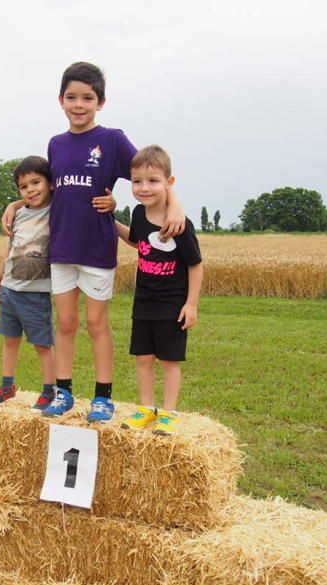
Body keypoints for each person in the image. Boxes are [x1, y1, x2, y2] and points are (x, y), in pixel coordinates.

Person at [2, 61, 185, 422]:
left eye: (87, 97)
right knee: (66, 323)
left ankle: (103, 397)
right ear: (61, 100)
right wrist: (15, 204)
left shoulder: (112, 140)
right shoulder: (56, 144)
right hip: (61, 249)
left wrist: (174, 204)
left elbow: (150, 172)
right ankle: (64, 392)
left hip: (97, 249)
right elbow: (47, 192)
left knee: (97, 324)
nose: (79, 104)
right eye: (72, 97)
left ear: (101, 102)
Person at [118, 145, 203, 436]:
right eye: (137, 181)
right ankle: (146, 409)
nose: (144, 188)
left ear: (169, 182)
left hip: (172, 303)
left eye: (153, 181)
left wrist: (191, 304)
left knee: (169, 360)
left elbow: (195, 264)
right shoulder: (138, 214)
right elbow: (136, 241)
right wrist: (110, 221)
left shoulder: (179, 223)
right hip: (144, 300)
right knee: (143, 358)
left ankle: (168, 413)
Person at [0, 156, 58, 409]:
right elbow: (9, 251)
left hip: (36, 293)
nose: (30, 190)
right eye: (23, 187)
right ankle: (7, 386)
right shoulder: (18, 215)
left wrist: (12, 203)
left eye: (36, 182)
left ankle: (50, 390)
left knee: (42, 344)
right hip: (9, 289)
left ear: (50, 183)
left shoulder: (56, 210)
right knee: (10, 339)